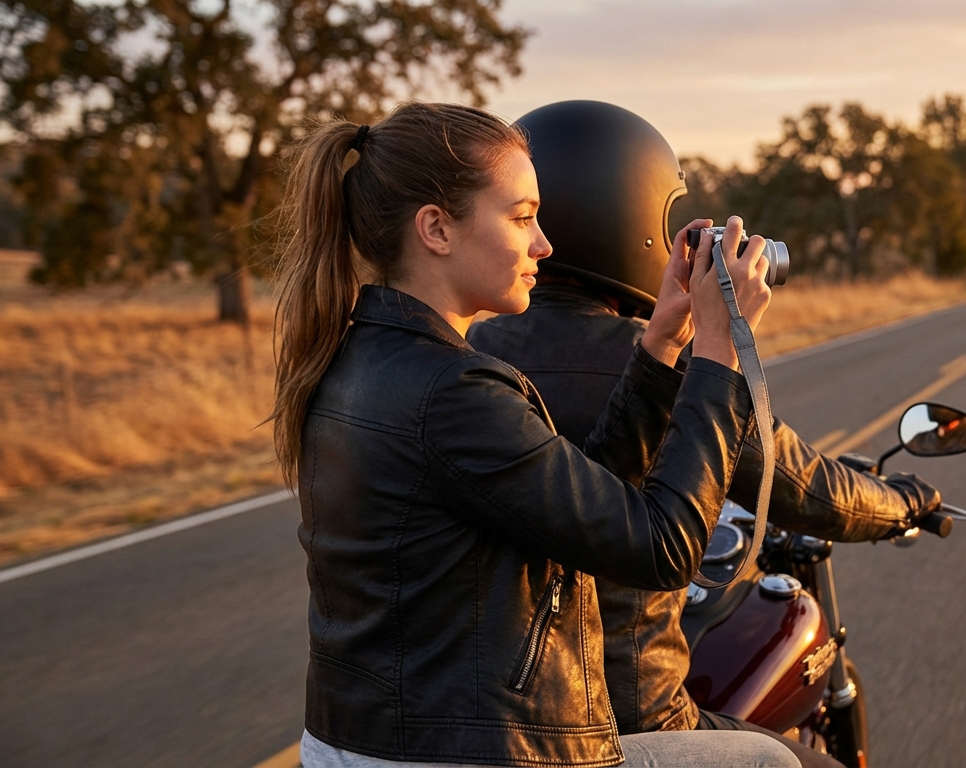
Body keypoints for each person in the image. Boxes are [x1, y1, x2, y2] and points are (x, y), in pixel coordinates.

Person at [270, 101, 799, 768]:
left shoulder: (361, 360)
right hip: (471, 752)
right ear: (435, 228)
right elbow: (664, 548)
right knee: (767, 761)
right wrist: (720, 354)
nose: (544, 245)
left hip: (361, 743)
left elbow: (580, 508)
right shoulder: (453, 394)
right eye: (522, 217)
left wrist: (665, 343)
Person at [467, 101, 943, 767]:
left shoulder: (466, 355)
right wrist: (903, 502)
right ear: (628, 215)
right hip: (630, 710)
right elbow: (807, 488)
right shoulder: (663, 371)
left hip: (486, 710)